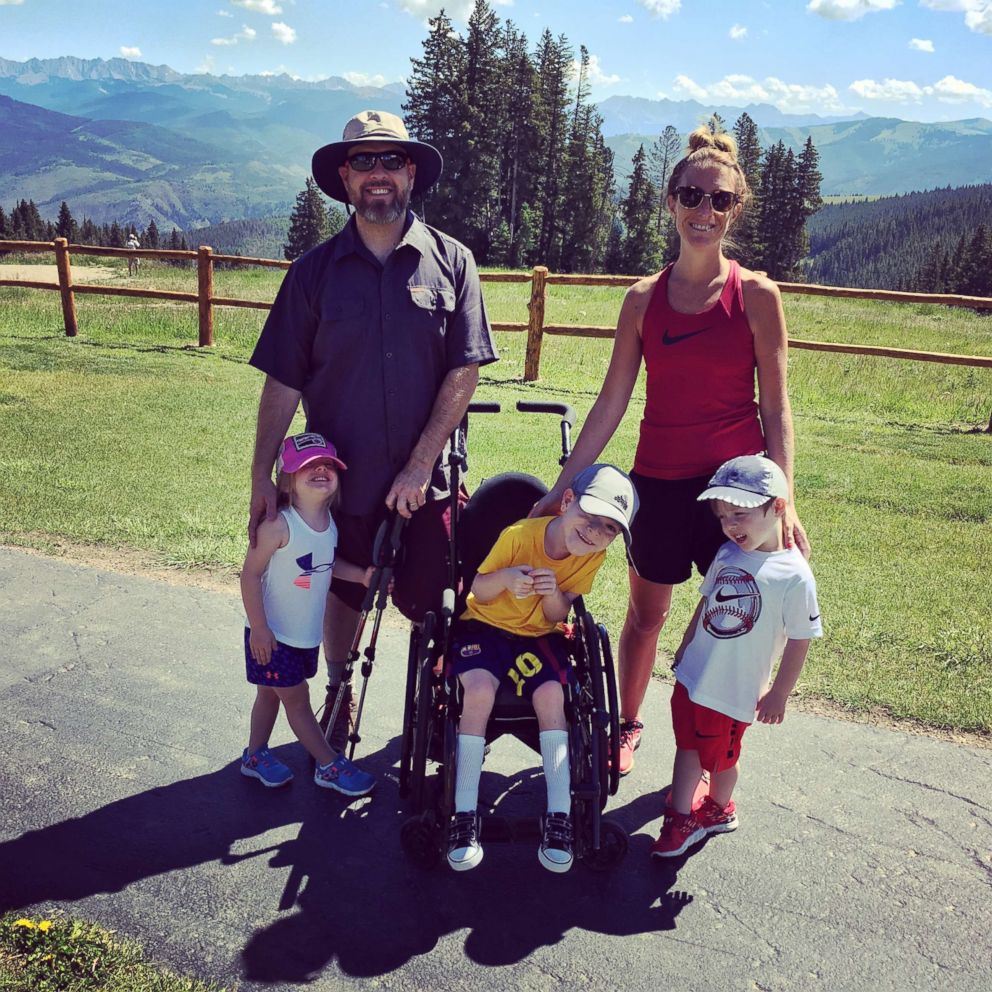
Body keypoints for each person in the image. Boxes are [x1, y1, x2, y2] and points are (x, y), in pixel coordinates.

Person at [532, 127, 811, 778]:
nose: (703, 212)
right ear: (670, 201)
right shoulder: (642, 300)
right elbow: (609, 404)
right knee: (647, 615)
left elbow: (776, 408)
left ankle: (713, 754)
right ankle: (628, 726)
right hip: (656, 483)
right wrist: (561, 486)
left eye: (718, 201)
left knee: (729, 619)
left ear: (735, 210)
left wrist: (784, 499)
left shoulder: (759, 298)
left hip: (735, 493)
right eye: (691, 196)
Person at [247, 110, 498, 750]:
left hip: (429, 480)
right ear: (344, 176)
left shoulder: (454, 262)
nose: (378, 173)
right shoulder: (312, 272)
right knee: (338, 590)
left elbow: (465, 370)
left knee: (437, 599)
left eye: (391, 160)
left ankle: (434, 698)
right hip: (336, 481)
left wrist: (420, 462)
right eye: (364, 161)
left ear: (410, 172)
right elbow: (282, 380)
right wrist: (261, 477)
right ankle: (339, 688)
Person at [446, 464, 639, 874]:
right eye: (589, 518)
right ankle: (463, 814)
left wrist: (553, 595)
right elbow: (478, 589)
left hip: (538, 634)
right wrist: (507, 579)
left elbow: (557, 614)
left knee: (552, 693)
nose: (593, 533)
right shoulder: (519, 536)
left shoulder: (593, 556)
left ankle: (559, 817)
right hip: (485, 626)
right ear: (567, 502)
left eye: (608, 528)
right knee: (478, 691)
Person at [649, 455, 822, 857]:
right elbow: (707, 602)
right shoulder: (727, 554)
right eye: (723, 515)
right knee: (688, 745)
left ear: (778, 507)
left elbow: (801, 638)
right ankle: (680, 813)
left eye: (740, 514)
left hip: (732, 690)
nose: (730, 525)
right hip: (695, 675)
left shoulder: (794, 576)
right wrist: (687, 643)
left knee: (721, 759)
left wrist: (780, 693)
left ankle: (717, 808)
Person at [240, 432, 377, 797]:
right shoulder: (279, 526)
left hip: (302, 636)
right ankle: (329, 764)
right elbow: (250, 575)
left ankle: (254, 756)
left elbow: (326, 567)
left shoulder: (328, 525)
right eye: (307, 466)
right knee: (297, 701)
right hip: (272, 636)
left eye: (327, 465)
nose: (320, 470)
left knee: (269, 695)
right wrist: (258, 628)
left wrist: (361, 576)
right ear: (287, 479)